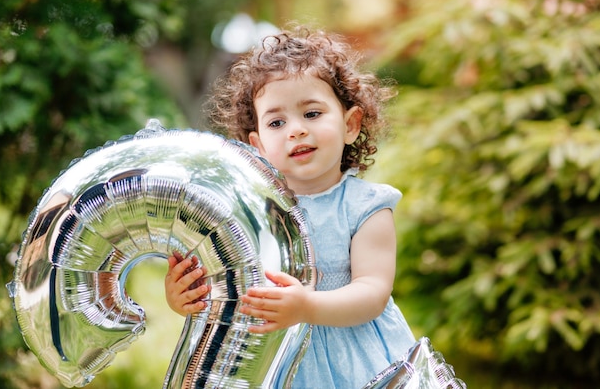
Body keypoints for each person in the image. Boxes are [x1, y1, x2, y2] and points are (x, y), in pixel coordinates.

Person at [164, 26, 416, 388]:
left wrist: (306, 307)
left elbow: (372, 292)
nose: (295, 130)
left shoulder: (366, 208)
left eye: (312, 114)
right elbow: (224, 284)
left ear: (350, 124)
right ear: (258, 145)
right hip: (273, 358)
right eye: (277, 122)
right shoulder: (247, 212)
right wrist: (184, 296)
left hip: (354, 362)